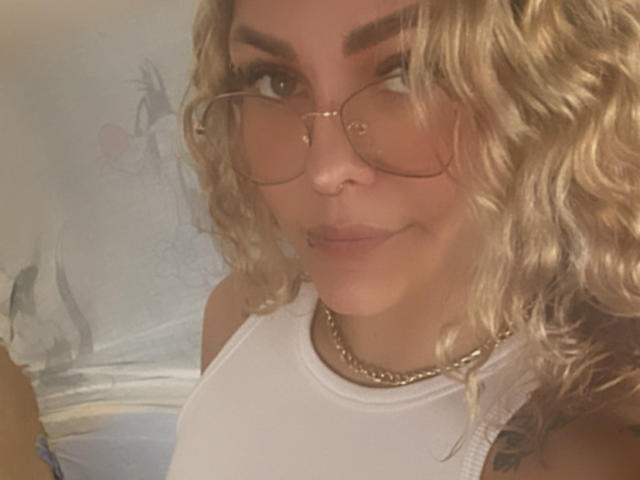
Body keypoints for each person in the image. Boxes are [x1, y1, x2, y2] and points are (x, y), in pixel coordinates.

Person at [167, 0, 640, 478]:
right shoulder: (239, 317)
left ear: (547, 88)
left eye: (407, 74)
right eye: (275, 81)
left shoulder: (587, 456)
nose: (326, 170)